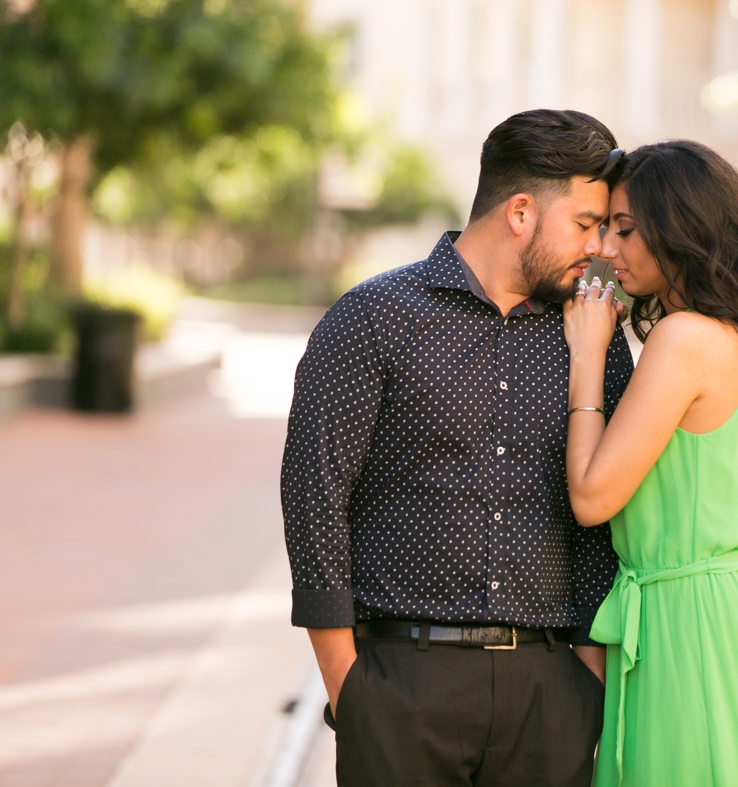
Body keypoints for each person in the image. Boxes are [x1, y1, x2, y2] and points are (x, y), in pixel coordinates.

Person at [280, 109, 634, 786]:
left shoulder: (590, 334)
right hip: (401, 686)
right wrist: (349, 689)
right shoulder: (373, 317)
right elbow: (314, 495)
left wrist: (584, 681)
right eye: (587, 224)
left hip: (549, 692)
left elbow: (604, 512)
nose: (599, 249)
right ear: (521, 212)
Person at [563, 139, 738, 786]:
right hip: (720, 613)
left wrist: (588, 352)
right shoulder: (720, 333)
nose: (605, 249)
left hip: (691, 629)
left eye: (624, 230)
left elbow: (592, 496)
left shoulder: (684, 338)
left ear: (679, 226)